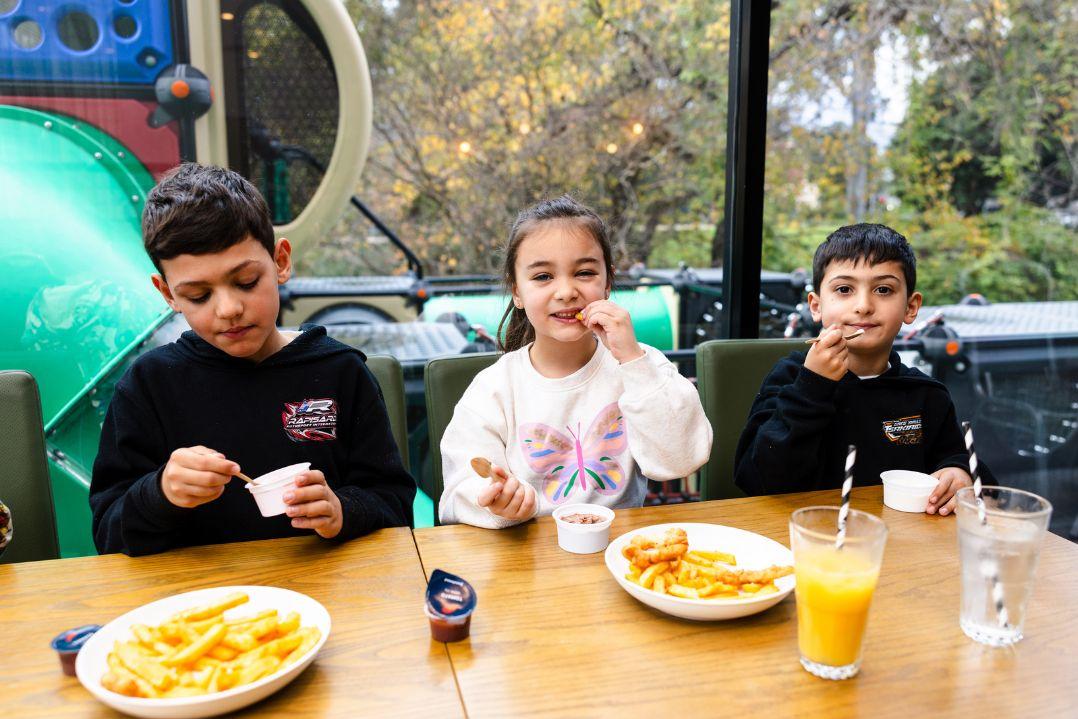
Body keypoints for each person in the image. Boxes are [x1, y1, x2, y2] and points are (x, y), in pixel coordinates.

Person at [90, 163, 415, 555]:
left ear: (280, 262)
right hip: (196, 604)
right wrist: (160, 493)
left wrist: (343, 511)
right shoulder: (148, 385)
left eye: (245, 282)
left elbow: (395, 506)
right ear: (167, 294)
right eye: (198, 295)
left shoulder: (340, 373)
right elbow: (108, 534)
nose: (228, 309)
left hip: (329, 593)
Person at [438, 195, 712, 528]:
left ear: (607, 282)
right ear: (517, 291)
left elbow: (681, 460)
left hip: (623, 550)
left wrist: (632, 360)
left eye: (583, 273)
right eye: (542, 277)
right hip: (527, 558)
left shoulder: (640, 365)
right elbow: (457, 492)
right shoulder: (494, 388)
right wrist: (497, 502)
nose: (566, 291)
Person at [734, 223, 982, 515]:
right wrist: (812, 386)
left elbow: (969, 471)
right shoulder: (790, 378)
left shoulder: (926, 395)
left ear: (911, 307)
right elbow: (755, 480)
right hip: (803, 539)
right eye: (844, 289)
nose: (863, 305)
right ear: (816, 306)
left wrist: (958, 473)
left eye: (883, 289)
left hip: (902, 547)